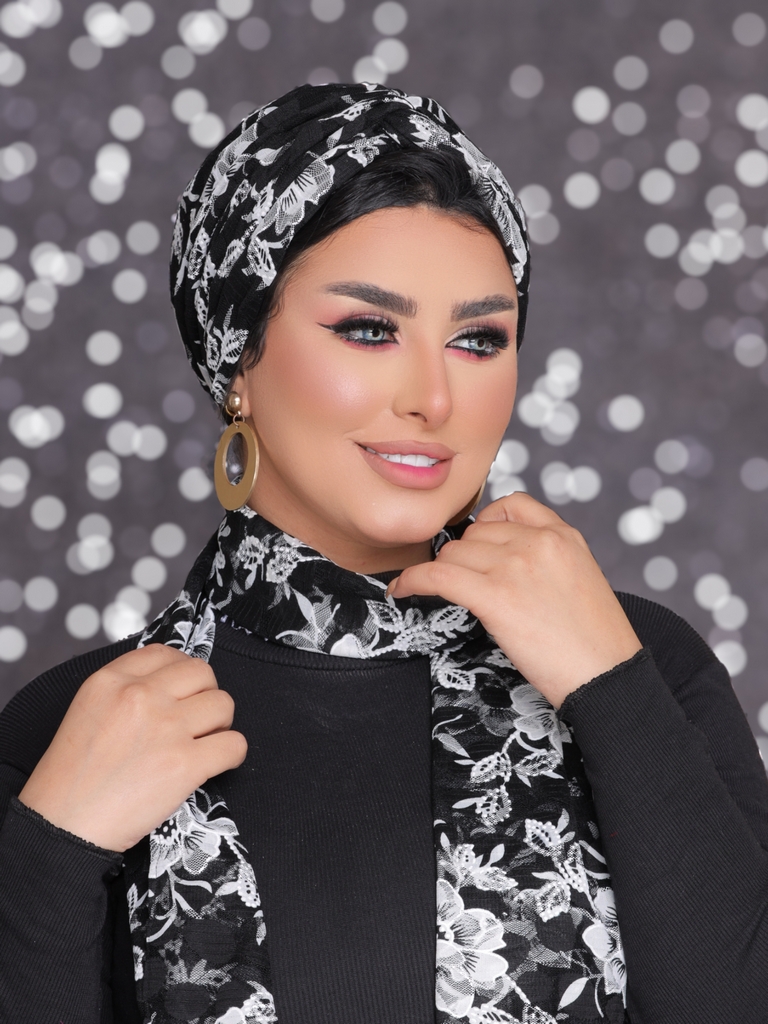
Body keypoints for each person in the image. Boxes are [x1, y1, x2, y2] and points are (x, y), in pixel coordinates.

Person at [0, 82, 766, 1024]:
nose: (434, 399)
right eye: (369, 330)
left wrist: (612, 688)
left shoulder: (645, 666)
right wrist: (52, 850)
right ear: (239, 358)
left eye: (478, 340)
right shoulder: (78, 729)